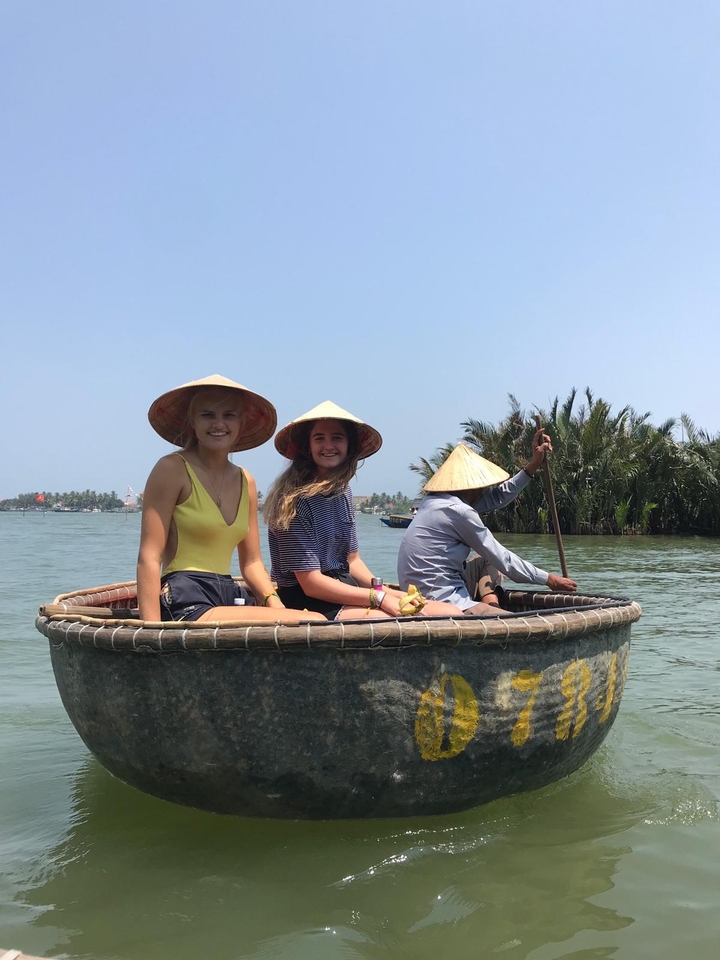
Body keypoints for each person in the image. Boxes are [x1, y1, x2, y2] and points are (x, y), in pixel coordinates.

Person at [137, 375, 326, 624]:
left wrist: (275, 604)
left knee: (309, 619)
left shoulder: (245, 480)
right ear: (191, 422)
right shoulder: (172, 469)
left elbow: (252, 562)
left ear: (241, 423)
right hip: (184, 594)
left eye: (229, 415)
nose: (218, 424)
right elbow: (149, 558)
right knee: (314, 621)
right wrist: (152, 633)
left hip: (228, 593)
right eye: (207, 415)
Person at [263, 401, 463, 620]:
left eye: (336, 438)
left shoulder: (343, 493)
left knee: (450, 612)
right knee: (393, 620)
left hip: (343, 586)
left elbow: (353, 561)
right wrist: (379, 599)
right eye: (319, 438)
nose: (328, 446)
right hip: (307, 600)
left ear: (349, 445)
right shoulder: (294, 501)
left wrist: (385, 591)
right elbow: (311, 583)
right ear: (308, 447)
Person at [397, 430, 578, 615]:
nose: (484, 490)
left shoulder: (434, 501)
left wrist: (533, 465)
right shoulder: (459, 512)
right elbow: (503, 559)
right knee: (511, 617)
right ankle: (490, 611)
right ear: (472, 486)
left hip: (417, 590)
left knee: (484, 561)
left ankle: (491, 602)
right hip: (439, 599)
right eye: (482, 486)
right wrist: (549, 580)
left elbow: (497, 497)